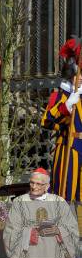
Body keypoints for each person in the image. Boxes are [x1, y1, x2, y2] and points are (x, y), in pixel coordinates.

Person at [41, 37, 82, 198]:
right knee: (67, 191)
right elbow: (47, 121)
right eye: (76, 74)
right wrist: (66, 107)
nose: (79, 77)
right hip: (68, 146)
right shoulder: (61, 95)